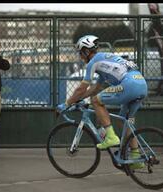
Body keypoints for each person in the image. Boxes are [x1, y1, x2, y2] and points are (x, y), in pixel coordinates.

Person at [56, 35, 148, 169]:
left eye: (81, 53)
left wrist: (66, 103)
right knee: (127, 121)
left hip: (129, 84)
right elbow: (95, 88)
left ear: (87, 52)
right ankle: (135, 158)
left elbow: (82, 88)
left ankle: (110, 136)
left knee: (96, 101)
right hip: (141, 85)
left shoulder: (93, 62)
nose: (80, 57)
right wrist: (79, 99)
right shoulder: (105, 60)